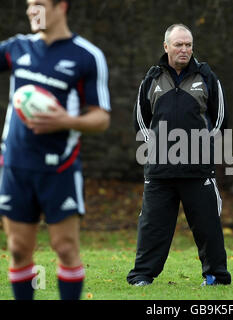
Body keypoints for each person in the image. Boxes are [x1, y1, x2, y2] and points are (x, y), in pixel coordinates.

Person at [0, 0, 111, 300]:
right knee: (18, 249)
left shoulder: (87, 56)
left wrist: (66, 120)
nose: (30, 10)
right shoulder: (17, 48)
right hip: (15, 165)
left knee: (65, 248)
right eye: (28, 4)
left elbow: (101, 118)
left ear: (61, 6)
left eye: (38, 3)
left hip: (59, 167)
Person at [127, 24, 231, 286]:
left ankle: (215, 276)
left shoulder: (206, 77)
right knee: (152, 226)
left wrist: (203, 149)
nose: (184, 49)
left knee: (207, 226)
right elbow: (141, 119)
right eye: (178, 44)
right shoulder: (151, 78)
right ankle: (142, 276)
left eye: (188, 45)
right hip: (160, 170)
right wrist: (158, 149)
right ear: (166, 47)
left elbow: (220, 119)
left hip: (197, 170)